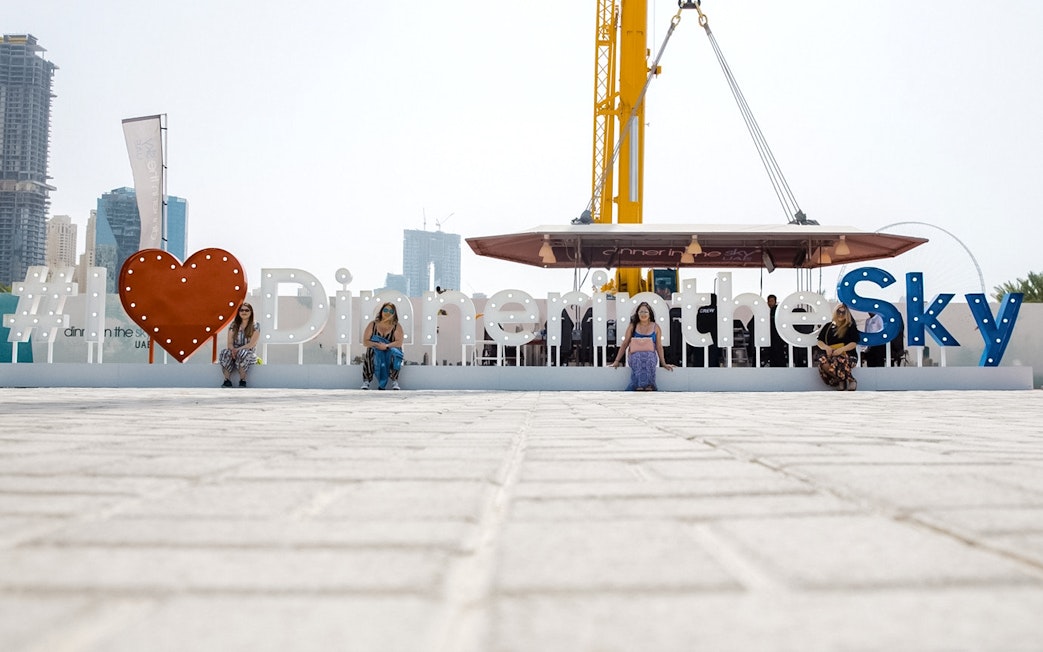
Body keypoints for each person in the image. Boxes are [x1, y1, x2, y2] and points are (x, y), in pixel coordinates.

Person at [610, 302, 674, 390]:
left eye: (645, 312)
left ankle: (649, 385)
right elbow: (625, 343)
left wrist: (663, 363)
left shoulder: (656, 327)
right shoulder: (632, 326)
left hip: (650, 355)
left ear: (650, 314)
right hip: (634, 355)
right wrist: (616, 361)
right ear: (637, 313)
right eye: (641, 312)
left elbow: (659, 346)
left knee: (648, 357)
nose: (643, 314)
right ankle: (639, 385)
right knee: (638, 357)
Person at [816, 303, 859, 390]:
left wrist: (842, 349)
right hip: (832, 354)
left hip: (848, 355)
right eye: (838, 311)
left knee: (839, 359)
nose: (840, 314)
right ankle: (841, 380)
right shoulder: (828, 326)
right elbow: (819, 341)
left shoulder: (850, 326)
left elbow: (854, 343)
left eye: (843, 312)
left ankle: (851, 380)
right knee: (823, 361)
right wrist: (826, 347)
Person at [362, 302, 404, 390]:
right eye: (385, 310)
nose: (387, 312)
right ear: (381, 311)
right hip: (376, 348)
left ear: (394, 313)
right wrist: (378, 345)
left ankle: (395, 381)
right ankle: (366, 380)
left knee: (396, 352)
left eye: (390, 311)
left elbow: (399, 342)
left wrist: (386, 346)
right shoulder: (372, 325)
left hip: (389, 349)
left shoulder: (396, 326)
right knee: (370, 351)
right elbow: (365, 342)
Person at [220, 303, 260, 387]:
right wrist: (233, 350)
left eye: (246, 310)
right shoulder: (234, 325)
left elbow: (251, 344)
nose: (244, 312)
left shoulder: (255, 325)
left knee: (242, 353)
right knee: (225, 353)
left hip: (248, 353)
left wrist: (237, 350)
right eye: (241, 310)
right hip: (234, 351)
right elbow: (229, 343)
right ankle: (227, 380)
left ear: (251, 312)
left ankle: (242, 380)